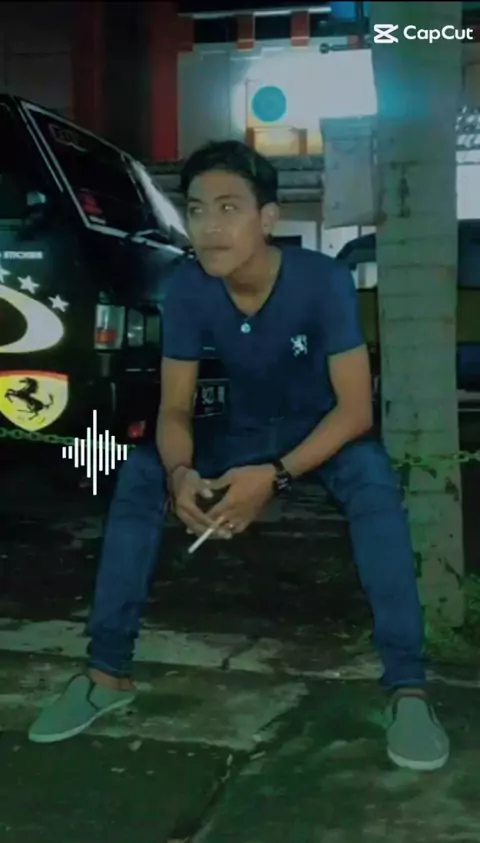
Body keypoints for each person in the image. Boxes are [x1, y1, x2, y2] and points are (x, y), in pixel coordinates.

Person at [29, 140, 449, 772]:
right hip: (240, 430)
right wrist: (180, 473)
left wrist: (273, 478)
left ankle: (408, 687)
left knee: (372, 478)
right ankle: (106, 673)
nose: (209, 226)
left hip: (318, 434)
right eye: (197, 210)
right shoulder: (188, 288)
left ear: (268, 218)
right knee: (141, 472)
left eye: (229, 208)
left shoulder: (323, 281)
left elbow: (355, 411)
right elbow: (175, 409)